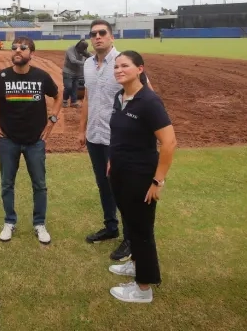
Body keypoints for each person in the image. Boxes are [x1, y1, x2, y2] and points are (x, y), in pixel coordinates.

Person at [79, 19, 153, 262]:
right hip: (94, 135)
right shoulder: (88, 64)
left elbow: (145, 96)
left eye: (102, 33)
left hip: (119, 140)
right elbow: (88, 98)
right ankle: (111, 227)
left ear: (112, 37)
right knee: (104, 184)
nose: (97, 36)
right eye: (93, 34)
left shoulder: (123, 63)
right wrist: (82, 130)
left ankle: (131, 239)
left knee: (123, 189)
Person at [105, 50, 176, 303]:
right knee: (131, 223)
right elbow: (121, 135)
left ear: (140, 69)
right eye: (116, 66)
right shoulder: (120, 97)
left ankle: (143, 288)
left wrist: (158, 180)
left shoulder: (149, 101)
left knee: (142, 230)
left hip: (141, 176)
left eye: (125, 65)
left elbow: (169, 143)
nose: (119, 70)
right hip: (120, 173)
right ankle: (136, 264)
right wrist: (113, 160)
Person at [0, 36, 62, 245]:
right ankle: (9, 221)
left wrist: (52, 120)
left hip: (35, 141)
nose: (18, 50)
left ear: (31, 53)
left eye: (23, 48)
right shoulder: (2, 77)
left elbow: (57, 95)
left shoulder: (41, 77)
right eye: (14, 47)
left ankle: (39, 223)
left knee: (40, 184)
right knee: (7, 183)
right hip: (8, 140)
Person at [62, 39, 90, 108]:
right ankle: (65, 100)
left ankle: (73, 102)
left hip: (77, 73)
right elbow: (73, 60)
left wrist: (95, 58)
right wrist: (85, 63)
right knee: (68, 87)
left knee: (75, 88)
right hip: (68, 72)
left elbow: (91, 56)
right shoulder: (70, 50)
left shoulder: (83, 51)